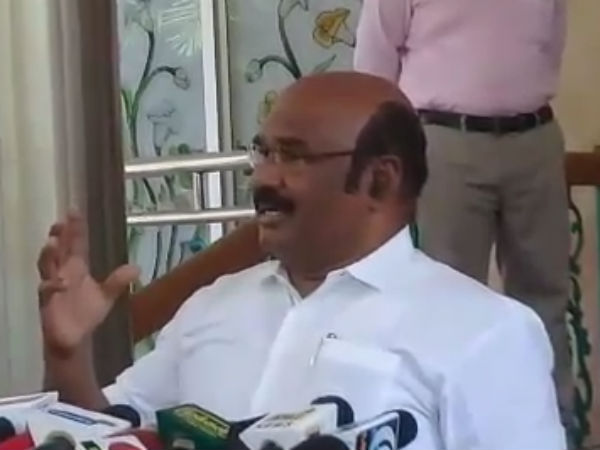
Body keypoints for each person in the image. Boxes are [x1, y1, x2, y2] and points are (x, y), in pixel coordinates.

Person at [38, 72, 565, 449]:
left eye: (292, 156)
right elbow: (111, 434)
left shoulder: (487, 332)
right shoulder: (213, 306)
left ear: (380, 179)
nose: (263, 178)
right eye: (263, 152)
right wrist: (68, 355)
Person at [353, 0, 571, 431]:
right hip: (445, 141)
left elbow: (549, 45)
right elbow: (374, 62)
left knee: (546, 297)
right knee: (446, 301)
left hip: (536, 138)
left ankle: (551, 429)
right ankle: (448, 431)